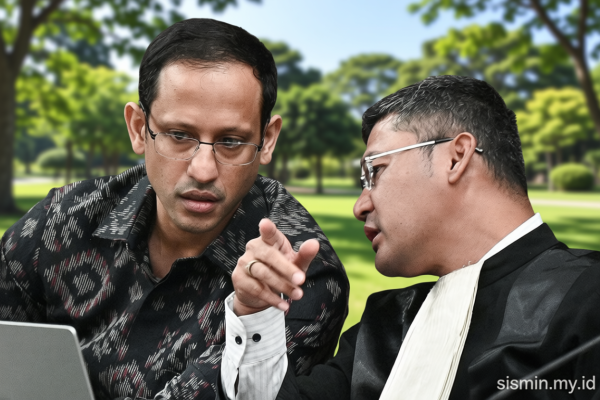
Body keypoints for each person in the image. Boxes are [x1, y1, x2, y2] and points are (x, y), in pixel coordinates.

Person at [0, 19, 349, 400]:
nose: (203, 170)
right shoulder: (61, 221)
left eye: (231, 141)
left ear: (266, 140)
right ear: (138, 128)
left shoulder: (295, 276)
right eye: (179, 135)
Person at [220, 75, 600, 400]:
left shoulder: (587, 299)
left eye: (375, 171)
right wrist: (255, 314)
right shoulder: (385, 326)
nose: (359, 205)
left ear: (456, 157)